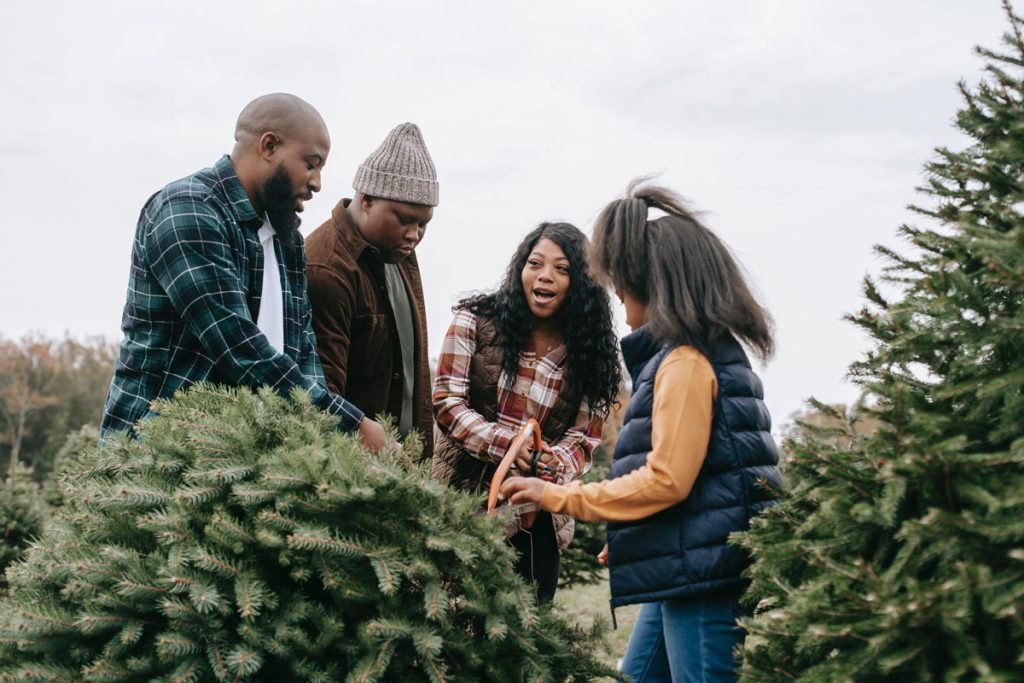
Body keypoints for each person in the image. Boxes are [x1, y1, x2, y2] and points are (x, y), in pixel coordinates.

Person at [499, 181, 782, 681]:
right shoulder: (700, 353)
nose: (616, 294)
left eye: (620, 282)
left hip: (703, 573)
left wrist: (557, 495)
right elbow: (705, 477)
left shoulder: (686, 364)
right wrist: (638, 533)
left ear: (654, 285)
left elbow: (668, 479)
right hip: (687, 561)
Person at [101, 93, 386, 452]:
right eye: (311, 164)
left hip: (247, 461)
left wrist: (319, 438)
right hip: (156, 457)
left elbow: (303, 351)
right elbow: (237, 345)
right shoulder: (187, 211)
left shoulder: (287, 240)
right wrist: (348, 424)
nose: (316, 183)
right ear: (269, 146)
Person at [432, 222, 622, 603]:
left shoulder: (591, 353)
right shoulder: (473, 322)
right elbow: (447, 403)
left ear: (582, 284)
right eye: (536, 263)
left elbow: (584, 437)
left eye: (562, 269)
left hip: (539, 518)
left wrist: (553, 462)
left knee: (527, 632)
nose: (545, 276)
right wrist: (508, 444)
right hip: (463, 504)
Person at [305, 123, 437, 459]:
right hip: (352, 472)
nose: (415, 235)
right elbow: (320, 399)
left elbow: (410, 369)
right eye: (405, 219)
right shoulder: (325, 268)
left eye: (423, 224)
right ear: (366, 199)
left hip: (404, 465)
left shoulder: (398, 251)